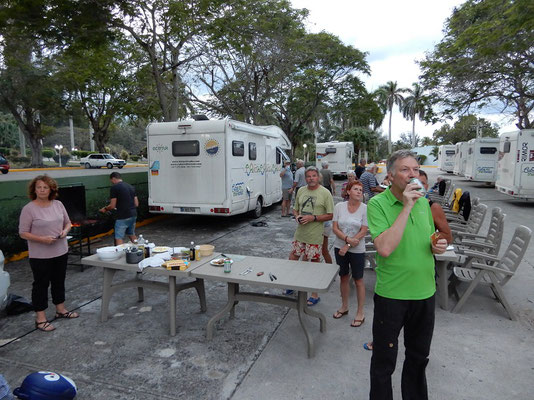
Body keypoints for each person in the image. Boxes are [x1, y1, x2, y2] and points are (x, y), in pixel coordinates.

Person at [366, 150, 447, 400]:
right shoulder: (377, 205)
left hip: (424, 293)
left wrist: (436, 245)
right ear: (390, 176)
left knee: (418, 358)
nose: (412, 175)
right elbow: (385, 248)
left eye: (415, 169)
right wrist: (407, 206)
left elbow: (427, 240)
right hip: (392, 295)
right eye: (405, 169)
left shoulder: (424, 203)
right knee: (384, 362)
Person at [19, 175, 78, 332]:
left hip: (60, 251)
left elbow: (68, 223)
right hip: (40, 255)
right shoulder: (29, 209)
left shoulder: (58, 204)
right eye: (39, 187)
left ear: (51, 189)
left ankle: (60, 309)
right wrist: (41, 239)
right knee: (41, 285)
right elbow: (23, 233)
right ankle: (40, 319)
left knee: (59, 281)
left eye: (45, 187)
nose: (42, 190)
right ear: (34, 189)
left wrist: (65, 231)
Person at [290, 166, 334, 305]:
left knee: (314, 264)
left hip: (315, 235)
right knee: (292, 258)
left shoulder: (325, 193)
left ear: (318, 177)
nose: (311, 178)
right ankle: (290, 284)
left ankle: (314, 294)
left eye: (314, 176)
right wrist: (297, 216)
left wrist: (313, 218)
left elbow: (331, 215)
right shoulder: (301, 190)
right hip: (300, 233)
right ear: (305, 178)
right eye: (308, 176)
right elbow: (295, 209)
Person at [332, 180, 368, 327]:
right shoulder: (339, 207)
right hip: (339, 247)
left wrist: (348, 245)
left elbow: (364, 230)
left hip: (357, 249)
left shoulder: (365, 208)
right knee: (344, 277)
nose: (359, 192)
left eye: (360, 190)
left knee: (358, 280)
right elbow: (335, 228)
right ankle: (344, 306)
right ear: (348, 191)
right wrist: (347, 240)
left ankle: (360, 312)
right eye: (355, 189)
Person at [99, 172, 139, 245]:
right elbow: (136, 204)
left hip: (122, 216)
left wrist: (105, 209)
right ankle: (139, 250)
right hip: (133, 214)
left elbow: (112, 205)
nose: (112, 183)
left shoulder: (114, 188)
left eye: (111, 181)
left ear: (113, 178)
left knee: (119, 237)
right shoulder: (130, 186)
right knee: (131, 234)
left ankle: (119, 253)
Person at [418, 170, 452, 244]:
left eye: (422, 183)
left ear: (427, 186)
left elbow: (447, 236)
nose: (418, 186)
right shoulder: (397, 205)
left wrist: (429, 237)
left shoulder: (433, 208)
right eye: (415, 182)